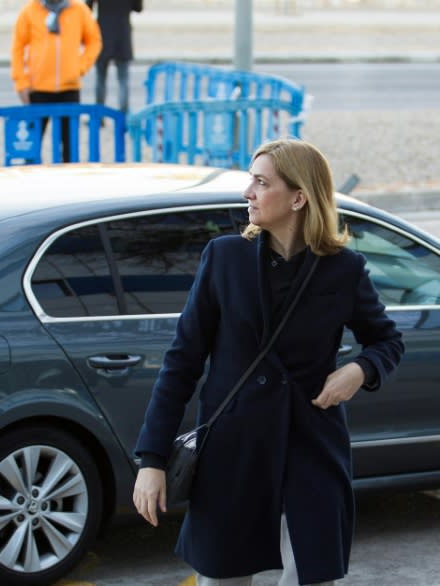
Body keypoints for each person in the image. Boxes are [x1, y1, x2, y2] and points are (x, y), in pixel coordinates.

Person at [133, 139, 404, 586]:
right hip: (232, 448)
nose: (248, 193)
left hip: (312, 446)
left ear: (298, 197)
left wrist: (360, 370)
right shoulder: (224, 258)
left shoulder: (344, 269)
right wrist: (151, 459)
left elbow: (387, 340)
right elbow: (182, 362)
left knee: (312, 576)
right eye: (251, 181)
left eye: (261, 182)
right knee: (223, 578)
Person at [11, 0, 101, 162]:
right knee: (32, 146)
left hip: (69, 89)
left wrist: (80, 67)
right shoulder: (30, 11)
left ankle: (68, 183)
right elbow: (18, 46)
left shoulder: (79, 10)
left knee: (70, 147)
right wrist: (21, 81)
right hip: (38, 89)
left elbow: (94, 41)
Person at [86, 0, 142, 114]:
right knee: (123, 80)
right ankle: (123, 114)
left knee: (100, 79)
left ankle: (99, 113)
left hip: (103, 34)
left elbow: (88, 7)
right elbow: (138, 8)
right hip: (122, 34)